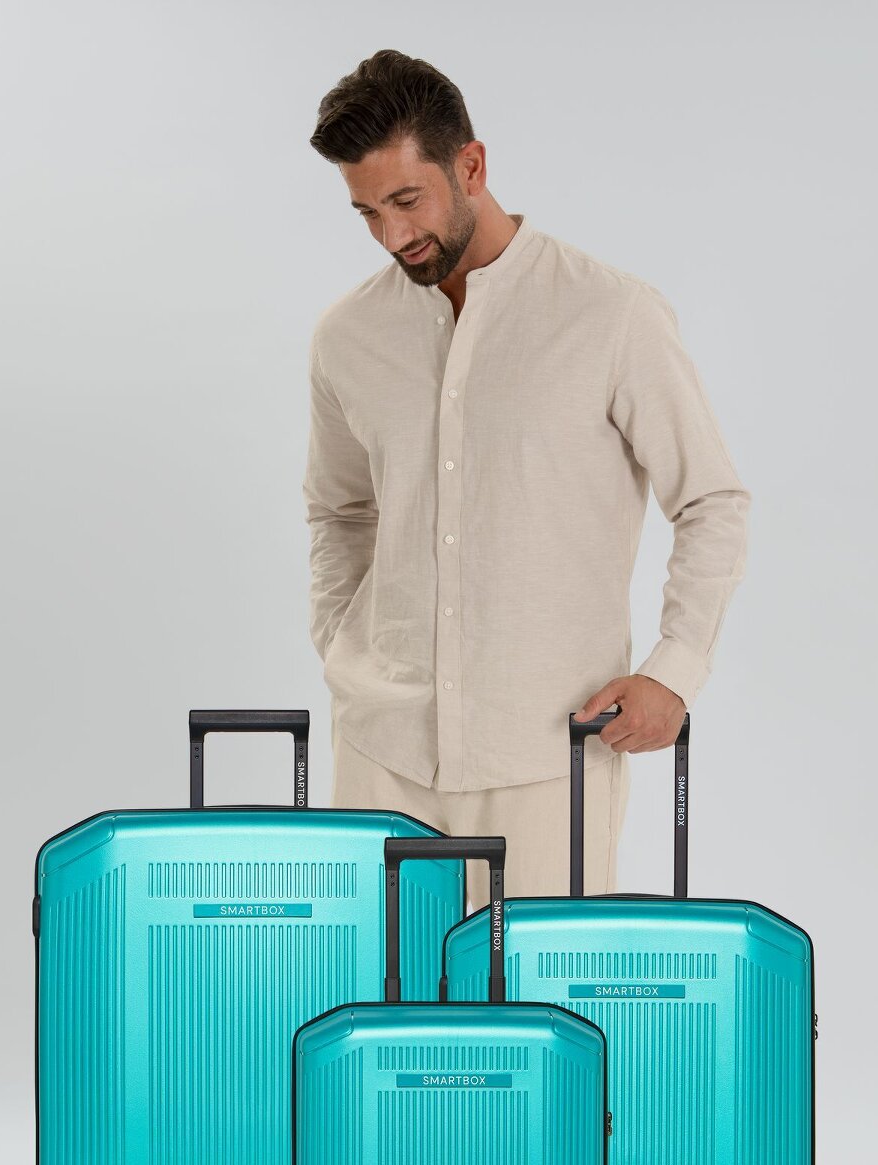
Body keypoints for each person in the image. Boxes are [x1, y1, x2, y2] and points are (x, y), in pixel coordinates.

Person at [304, 49, 749, 910]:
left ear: (471, 166)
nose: (392, 236)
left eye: (407, 200)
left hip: (550, 755)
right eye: (366, 212)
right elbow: (339, 510)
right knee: (377, 990)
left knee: (534, 993)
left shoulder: (611, 315)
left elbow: (711, 500)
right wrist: (343, 645)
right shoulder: (347, 335)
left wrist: (675, 670)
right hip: (381, 753)